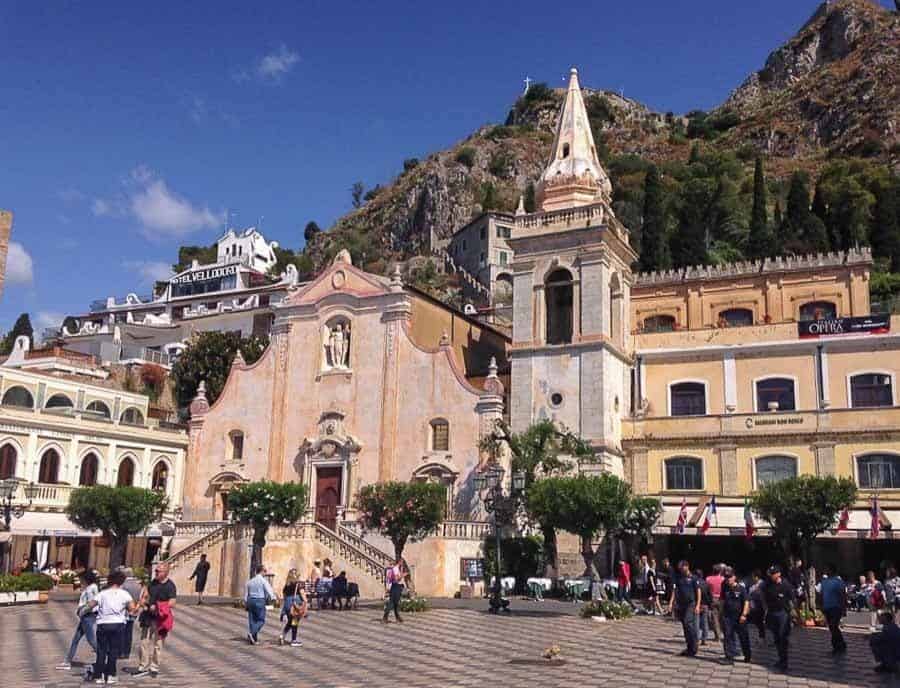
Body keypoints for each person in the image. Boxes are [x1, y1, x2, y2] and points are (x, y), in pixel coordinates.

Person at [89, 569, 137, 685]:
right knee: (113, 651)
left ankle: (98, 675)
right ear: (121, 582)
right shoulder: (124, 594)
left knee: (101, 650)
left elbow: (91, 604)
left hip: (103, 624)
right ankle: (111, 674)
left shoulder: (102, 594)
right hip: (118, 624)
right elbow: (132, 609)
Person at [133, 562, 177, 679]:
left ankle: (154, 667)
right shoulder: (152, 583)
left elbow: (172, 602)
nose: (156, 573)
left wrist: (159, 606)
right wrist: (143, 601)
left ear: (166, 572)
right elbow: (146, 595)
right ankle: (143, 666)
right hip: (148, 616)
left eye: (159, 571)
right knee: (144, 641)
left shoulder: (170, 586)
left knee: (158, 643)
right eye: (156, 571)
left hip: (160, 618)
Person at [56, 569, 100, 671]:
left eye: (81, 579)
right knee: (76, 639)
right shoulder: (89, 587)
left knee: (91, 640)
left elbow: (91, 603)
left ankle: (103, 657)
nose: (80, 581)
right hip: (85, 616)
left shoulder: (91, 588)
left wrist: (82, 611)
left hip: (87, 616)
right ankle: (67, 661)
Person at [761, 565, 794, 671]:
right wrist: (765, 608)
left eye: (772, 574)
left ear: (778, 574)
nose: (771, 576)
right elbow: (762, 595)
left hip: (783, 614)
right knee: (776, 638)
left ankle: (784, 662)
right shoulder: (767, 584)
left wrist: (795, 614)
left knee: (782, 637)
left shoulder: (786, 585)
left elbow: (792, 600)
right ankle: (781, 659)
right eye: (770, 574)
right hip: (772, 613)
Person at [669, 560, 701, 657]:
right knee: (685, 626)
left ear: (687, 566)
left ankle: (695, 642)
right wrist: (671, 603)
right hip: (681, 605)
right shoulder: (679, 578)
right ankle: (690, 647)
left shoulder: (694, 578)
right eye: (680, 568)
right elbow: (674, 591)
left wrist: (698, 605)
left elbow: (698, 592)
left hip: (691, 604)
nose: (681, 570)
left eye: (682, 568)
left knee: (688, 622)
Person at [720, 569, 751, 663]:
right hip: (728, 616)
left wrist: (744, 615)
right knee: (728, 636)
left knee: (743, 637)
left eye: (729, 577)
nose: (727, 579)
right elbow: (722, 600)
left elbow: (746, 602)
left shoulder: (741, 588)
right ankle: (729, 657)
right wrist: (721, 614)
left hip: (739, 616)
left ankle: (747, 655)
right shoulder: (724, 586)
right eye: (726, 577)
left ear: (734, 577)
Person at [820, 564, 847, 655]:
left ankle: (836, 647)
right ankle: (841, 643)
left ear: (832, 571)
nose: (826, 571)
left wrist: (844, 608)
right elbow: (821, 594)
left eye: (827, 569)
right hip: (827, 607)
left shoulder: (839, 582)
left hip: (836, 607)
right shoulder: (824, 582)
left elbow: (843, 596)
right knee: (832, 627)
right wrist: (821, 606)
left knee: (833, 626)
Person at [245, 565, 276, 644]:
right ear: (261, 571)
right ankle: (252, 633)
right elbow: (269, 589)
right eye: (265, 571)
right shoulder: (263, 581)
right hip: (259, 600)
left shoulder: (250, 581)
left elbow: (246, 593)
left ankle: (254, 639)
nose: (265, 573)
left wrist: (246, 601)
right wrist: (273, 598)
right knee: (261, 620)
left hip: (251, 600)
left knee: (252, 620)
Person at [118, 567, 143, 662]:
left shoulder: (123, 585)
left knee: (121, 632)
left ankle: (121, 652)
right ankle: (127, 652)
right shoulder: (138, 585)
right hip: (134, 611)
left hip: (124, 612)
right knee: (129, 633)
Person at [278, 569, 307, 647]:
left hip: (288, 605)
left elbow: (284, 596)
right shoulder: (298, 584)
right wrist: (305, 603)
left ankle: (282, 635)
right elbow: (302, 595)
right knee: (294, 622)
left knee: (290, 622)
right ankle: (293, 640)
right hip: (295, 605)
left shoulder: (286, 585)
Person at [705, 564, 724, 642]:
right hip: (722, 599)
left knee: (714, 618)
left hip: (712, 598)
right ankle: (723, 634)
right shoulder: (723, 579)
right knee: (722, 617)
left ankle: (717, 636)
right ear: (720, 571)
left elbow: (706, 590)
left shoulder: (708, 579)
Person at [382, 558, 405, 623]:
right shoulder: (395, 569)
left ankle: (398, 618)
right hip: (395, 587)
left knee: (396, 603)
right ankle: (385, 618)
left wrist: (402, 570)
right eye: (402, 562)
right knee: (391, 603)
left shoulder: (398, 569)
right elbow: (397, 579)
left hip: (397, 587)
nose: (402, 564)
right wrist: (403, 575)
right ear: (399, 562)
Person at [747, 570, 766, 643]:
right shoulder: (753, 585)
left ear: (756, 577)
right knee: (757, 622)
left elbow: (763, 595)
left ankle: (762, 637)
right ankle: (760, 637)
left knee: (760, 622)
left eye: (753, 576)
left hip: (760, 606)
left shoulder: (762, 584)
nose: (752, 578)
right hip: (754, 606)